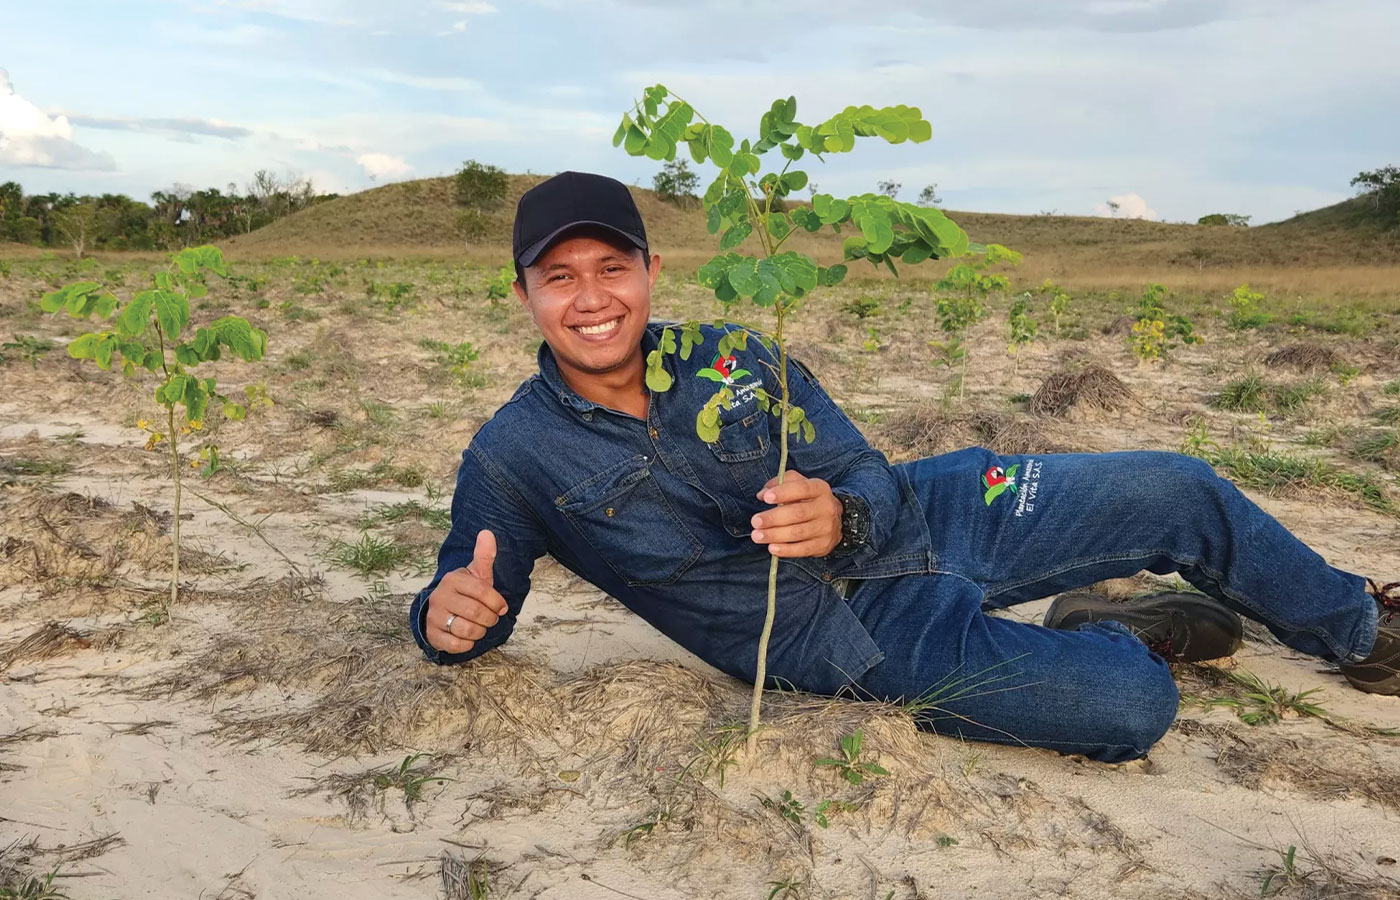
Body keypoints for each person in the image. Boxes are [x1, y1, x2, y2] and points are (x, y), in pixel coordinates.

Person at [409, 171, 1399, 764]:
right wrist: (444, 623)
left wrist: (842, 512)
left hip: (944, 512)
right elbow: (464, 588)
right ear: (524, 293)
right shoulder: (513, 454)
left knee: (1177, 488)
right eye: (559, 277)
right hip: (852, 642)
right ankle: (1112, 632)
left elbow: (861, 467)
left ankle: (1355, 625)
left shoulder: (730, 355)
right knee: (1129, 708)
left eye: (609, 268)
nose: (590, 298)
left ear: (648, 273)